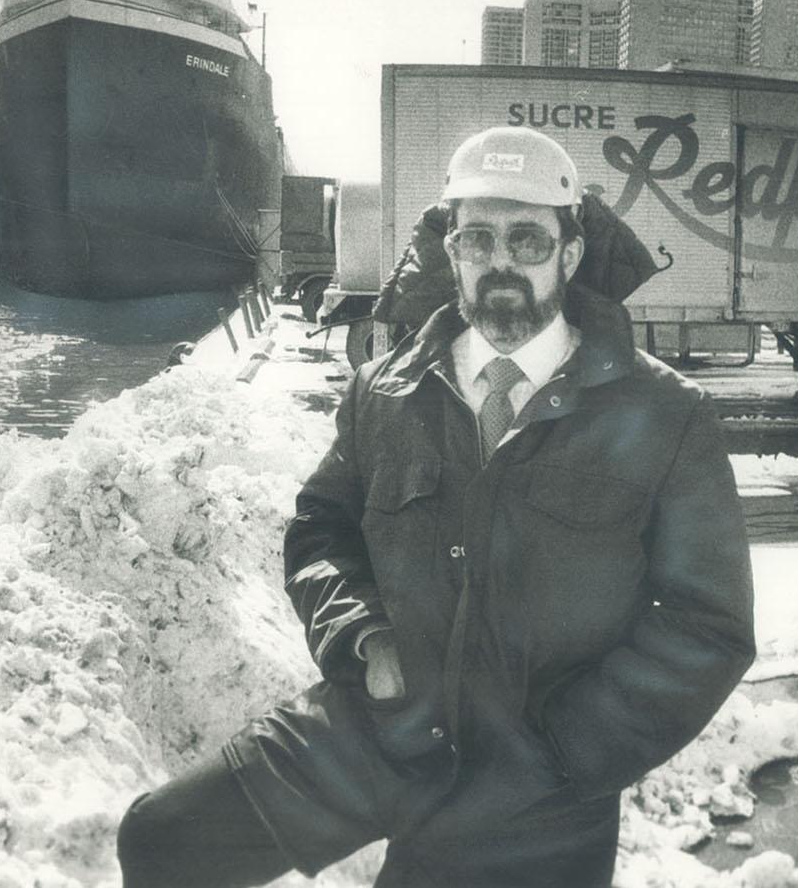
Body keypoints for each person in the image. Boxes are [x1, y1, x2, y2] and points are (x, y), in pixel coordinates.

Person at [117, 126, 755, 888]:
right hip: (379, 725)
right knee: (164, 840)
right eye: (478, 239)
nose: (502, 262)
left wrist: (563, 752)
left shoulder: (663, 414)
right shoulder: (383, 392)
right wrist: (363, 638)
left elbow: (707, 624)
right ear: (451, 251)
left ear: (571, 254)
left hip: (535, 782)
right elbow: (322, 534)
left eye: (527, 239)